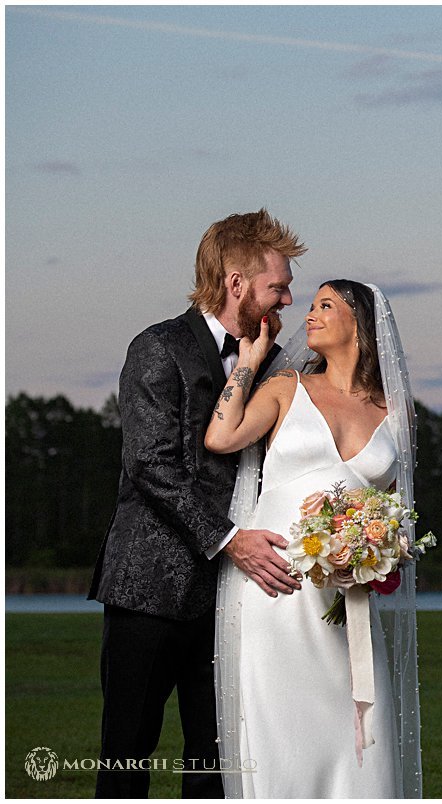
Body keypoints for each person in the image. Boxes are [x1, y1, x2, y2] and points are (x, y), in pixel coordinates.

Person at [88, 209, 306, 797]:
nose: (288, 298)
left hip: (231, 601)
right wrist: (232, 540)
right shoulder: (157, 347)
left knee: (215, 762)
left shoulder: (272, 363)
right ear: (236, 283)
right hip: (149, 589)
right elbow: (150, 465)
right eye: (277, 286)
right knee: (127, 755)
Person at [204, 279, 423, 798]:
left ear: (360, 324)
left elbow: (392, 512)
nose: (310, 315)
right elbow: (220, 436)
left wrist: (378, 554)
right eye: (311, 305)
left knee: (355, 739)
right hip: (274, 584)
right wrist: (248, 362)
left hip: (345, 600)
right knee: (280, 734)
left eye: (326, 305)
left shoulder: (397, 414)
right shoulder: (285, 389)